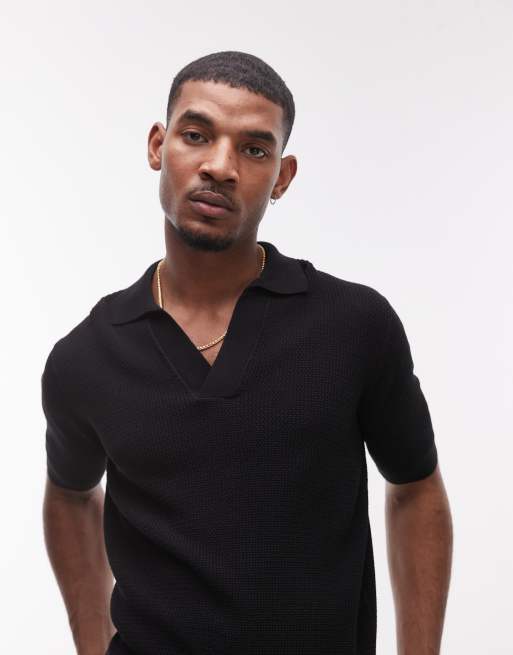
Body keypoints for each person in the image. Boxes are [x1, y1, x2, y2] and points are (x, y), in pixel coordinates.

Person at [41, 50, 453, 655]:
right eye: (195, 135)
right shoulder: (86, 357)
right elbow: (71, 495)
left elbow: (416, 488)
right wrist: (91, 644)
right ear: (158, 146)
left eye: (254, 149)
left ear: (282, 177)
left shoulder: (355, 325)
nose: (220, 166)